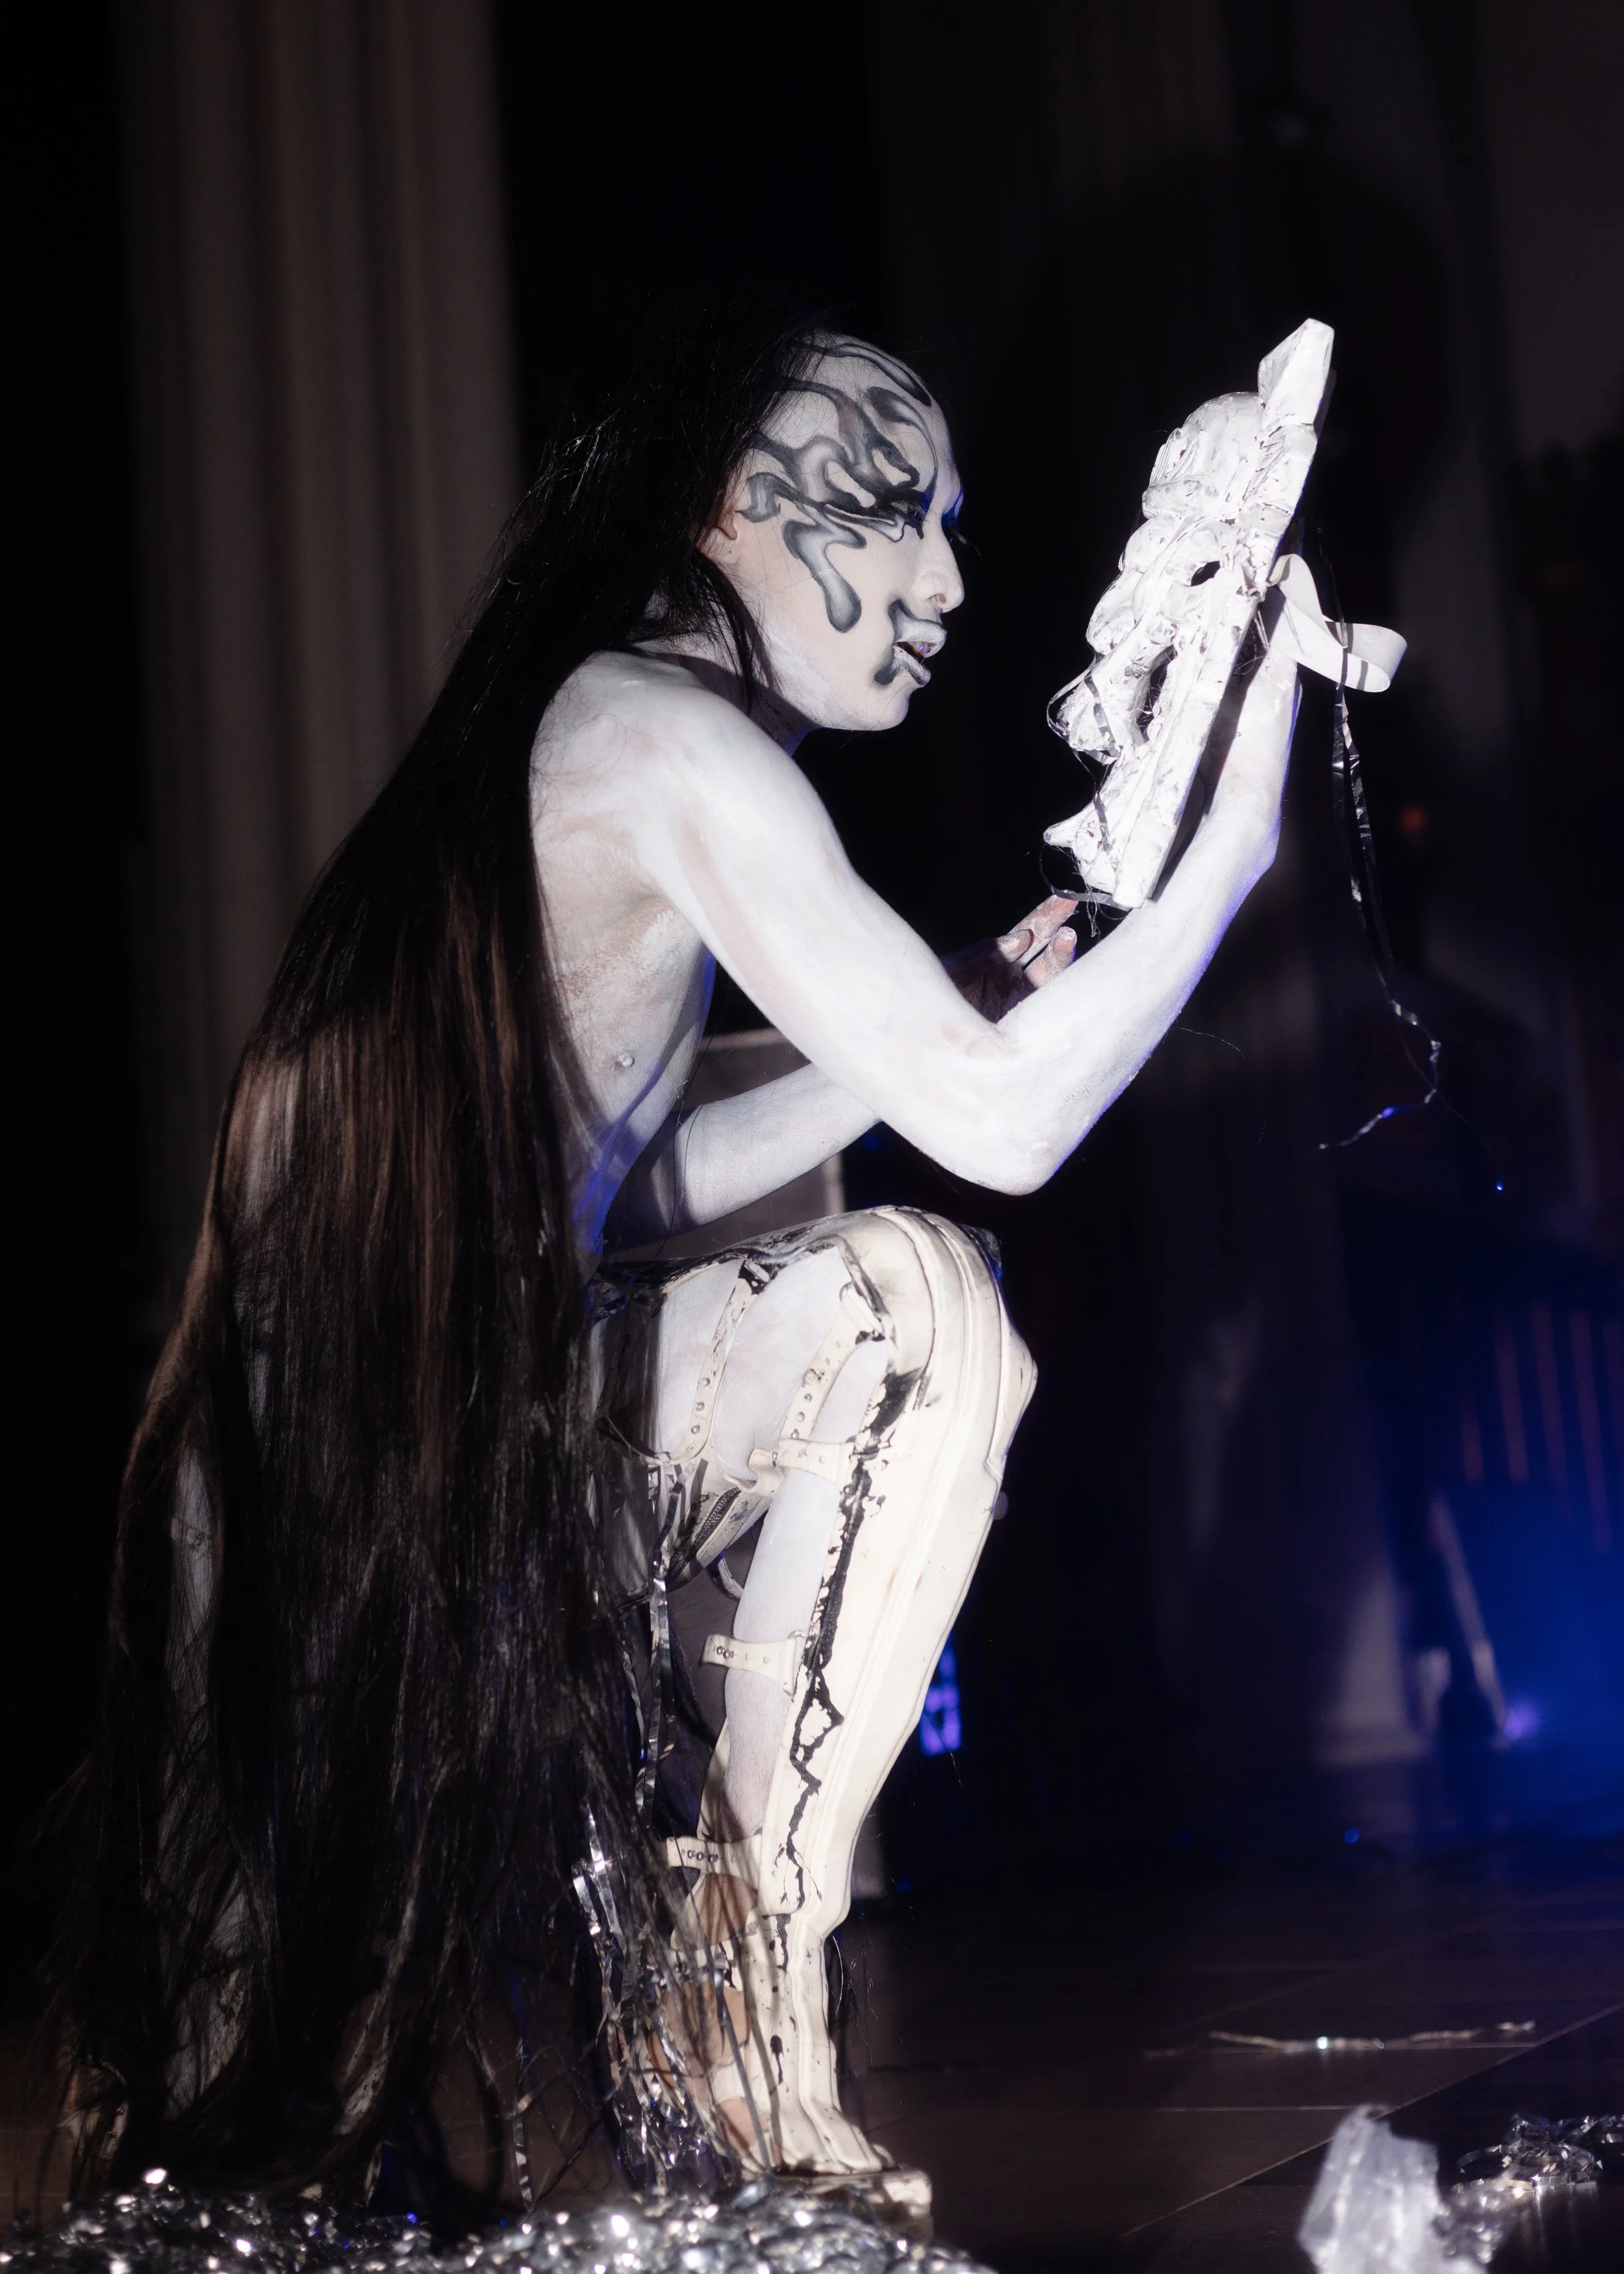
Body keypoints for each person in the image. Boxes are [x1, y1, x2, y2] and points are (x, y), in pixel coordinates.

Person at [53, 309, 1297, 2217]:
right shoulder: (656, 738)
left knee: (910, 1304)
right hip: (359, 1531)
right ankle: (707, 2003)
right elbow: (1008, 1126)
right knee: (253, 2153)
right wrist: (1225, 845)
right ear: (729, 508)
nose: (948, 576)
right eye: (894, 514)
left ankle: (738, 1991)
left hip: (443, 1469)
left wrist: (913, 1027)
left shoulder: (594, 729)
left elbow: (613, 1195)